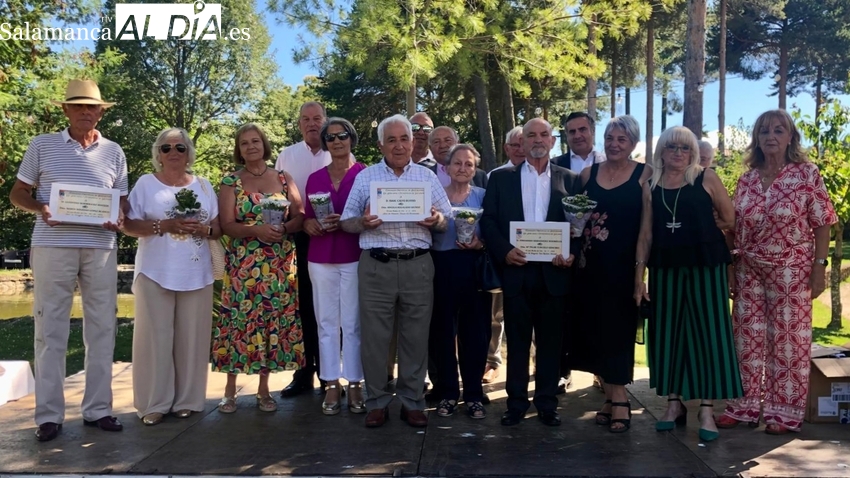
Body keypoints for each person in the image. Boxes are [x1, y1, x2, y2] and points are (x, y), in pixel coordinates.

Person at [10, 79, 127, 442]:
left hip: (101, 247)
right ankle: (48, 416)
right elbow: (18, 194)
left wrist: (118, 219)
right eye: (78, 106)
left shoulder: (114, 152)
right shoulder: (41, 145)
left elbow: (121, 204)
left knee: (103, 328)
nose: (86, 112)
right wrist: (40, 207)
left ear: (100, 112)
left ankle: (98, 410)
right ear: (65, 110)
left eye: (92, 107)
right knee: (50, 330)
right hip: (52, 245)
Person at [718, 109, 837, 434]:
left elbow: (824, 224)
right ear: (756, 138)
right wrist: (730, 266)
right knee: (745, 340)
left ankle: (783, 414)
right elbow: (732, 225)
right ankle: (742, 408)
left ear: (790, 137)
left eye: (778, 130)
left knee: (788, 342)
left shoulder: (806, 174)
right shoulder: (747, 178)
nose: (771, 136)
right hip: (748, 269)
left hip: (791, 271)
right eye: (764, 131)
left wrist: (819, 268)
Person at [340, 114, 451, 428]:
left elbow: (447, 219)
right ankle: (376, 402)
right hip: (376, 265)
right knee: (375, 338)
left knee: (415, 338)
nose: (399, 145)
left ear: (413, 142)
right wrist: (363, 222)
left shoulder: (427, 178)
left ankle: (412, 402)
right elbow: (347, 221)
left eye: (404, 138)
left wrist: (435, 221)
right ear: (380, 145)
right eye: (392, 140)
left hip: (418, 264)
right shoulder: (366, 177)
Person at [634, 126, 743, 442]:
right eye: (671, 148)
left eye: (684, 148)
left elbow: (729, 218)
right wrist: (639, 278)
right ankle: (672, 404)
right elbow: (646, 233)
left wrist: (700, 231)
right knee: (668, 334)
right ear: (662, 152)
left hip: (705, 266)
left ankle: (706, 408)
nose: (678, 153)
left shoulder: (706, 178)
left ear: (693, 152)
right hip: (665, 267)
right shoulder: (650, 185)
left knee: (708, 333)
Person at [480, 118, 579, 427]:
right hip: (517, 270)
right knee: (518, 343)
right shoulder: (501, 179)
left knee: (551, 343)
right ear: (520, 143)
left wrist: (572, 252)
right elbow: (489, 222)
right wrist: (504, 251)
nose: (538, 140)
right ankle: (516, 403)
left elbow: (580, 226)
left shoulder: (571, 180)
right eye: (531, 135)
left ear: (552, 141)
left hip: (554, 273)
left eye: (544, 135)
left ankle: (547, 403)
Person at [123, 128, 221, 425]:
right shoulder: (145, 184)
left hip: (197, 270)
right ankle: (154, 403)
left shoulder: (204, 185)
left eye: (180, 147)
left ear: (189, 152)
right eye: (166, 148)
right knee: (154, 339)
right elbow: (128, 225)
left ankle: (188, 400)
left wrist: (202, 230)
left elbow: (218, 228)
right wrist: (163, 226)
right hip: (155, 270)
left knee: (193, 338)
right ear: (158, 153)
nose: (174, 152)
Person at [212, 123, 306, 413]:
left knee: (269, 325)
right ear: (238, 150)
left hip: (278, 267)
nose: (251, 147)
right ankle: (229, 390)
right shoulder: (231, 182)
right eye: (244, 143)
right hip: (244, 266)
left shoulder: (283, 177)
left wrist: (283, 228)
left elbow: (300, 214)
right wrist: (258, 231)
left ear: (264, 145)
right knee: (240, 324)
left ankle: (264, 390)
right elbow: (227, 225)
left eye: (255, 141)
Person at [568, 115, 650, 433]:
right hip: (589, 268)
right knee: (597, 332)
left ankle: (620, 400)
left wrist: (640, 275)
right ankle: (611, 398)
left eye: (622, 140)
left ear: (633, 144)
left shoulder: (645, 175)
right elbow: (575, 220)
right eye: (610, 138)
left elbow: (646, 230)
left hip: (624, 268)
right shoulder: (588, 174)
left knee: (619, 332)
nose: (615, 144)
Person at [302, 118, 367, 415]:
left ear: (352, 138)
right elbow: (305, 217)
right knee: (326, 322)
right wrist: (310, 224)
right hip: (321, 256)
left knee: (352, 323)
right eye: (330, 137)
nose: (337, 141)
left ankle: (355, 382)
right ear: (325, 143)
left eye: (342, 136)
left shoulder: (365, 174)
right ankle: (330, 382)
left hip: (354, 254)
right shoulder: (315, 178)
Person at [430, 144, 492, 419]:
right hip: (441, 267)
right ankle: (447, 393)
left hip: (474, 267)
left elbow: (495, 230)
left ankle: (474, 394)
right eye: (457, 163)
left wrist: (482, 243)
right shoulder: (436, 197)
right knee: (442, 333)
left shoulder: (484, 197)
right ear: (446, 167)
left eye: (469, 164)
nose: (463, 169)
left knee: (475, 333)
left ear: (475, 169)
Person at [275, 101, 330, 397]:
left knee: (327, 306)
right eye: (306, 119)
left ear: (325, 121)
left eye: (317, 118)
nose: (312, 124)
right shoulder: (287, 155)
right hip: (298, 238)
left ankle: (328, 372)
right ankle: (303, 371)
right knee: (302, 306)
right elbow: (277, 196)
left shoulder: (338, 150)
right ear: (299, 124)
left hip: (332, 238)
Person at [483, 125, 526, 384]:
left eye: (525, 142)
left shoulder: (547, 174)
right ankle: (492, 361)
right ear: (507, 148)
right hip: (502, 257)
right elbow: (489, 218)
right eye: (515, 144)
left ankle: (538, 362)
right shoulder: (495, 176)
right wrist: (503, 250)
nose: (521, 148)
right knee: (495, 315)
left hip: (537, 258)